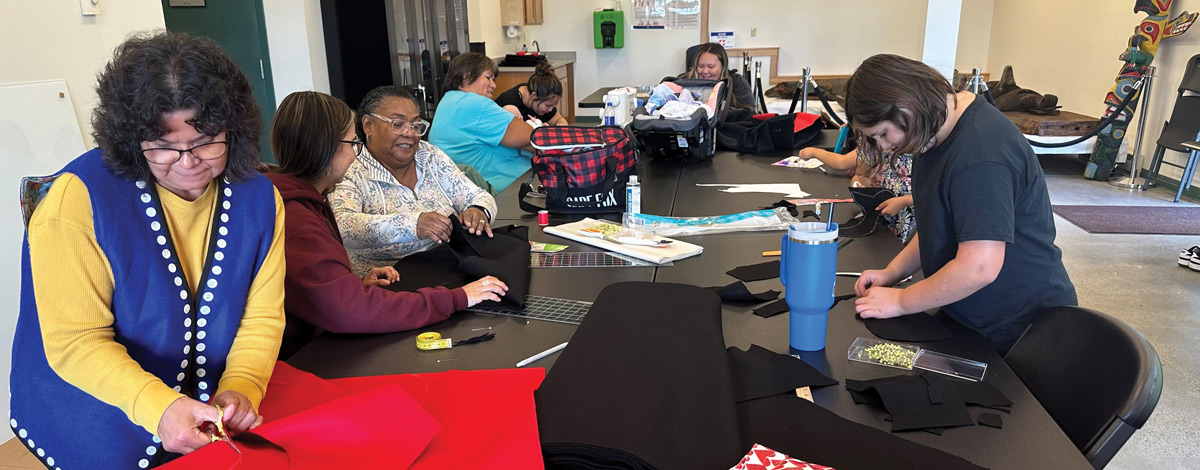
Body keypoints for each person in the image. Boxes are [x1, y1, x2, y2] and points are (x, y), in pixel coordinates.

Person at [10, 32, 286, 468]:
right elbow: (76, 342)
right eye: (163, 146)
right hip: (93, 411)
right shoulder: (76, 201)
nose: (188, 161)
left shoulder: (261, 199)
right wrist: (156, 406)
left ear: (235, 128)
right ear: (129, 140)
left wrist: (242, 384)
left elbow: (262, 316)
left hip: (200, 403)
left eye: (206, 140)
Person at [846, 54, 1076, 353]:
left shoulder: (980, 153)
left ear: (906, 105)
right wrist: (893, 272)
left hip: (1017, 331)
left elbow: (979, 267)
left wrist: (903, 300)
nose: (885, 147)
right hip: (966, 313)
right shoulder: (933, 130)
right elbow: (937, 222)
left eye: (882, 134)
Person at [264, 91, 508, 357]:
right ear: (325, 149)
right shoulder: (300, 216)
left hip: (396, 290)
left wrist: (354, 284)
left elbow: (331, 293)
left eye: (416, 125)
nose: (410, 133)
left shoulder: (306, 201)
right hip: (330, 340)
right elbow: (350, 308)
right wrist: (457, 297)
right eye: (352, 142)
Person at [331, 85, 499, 274]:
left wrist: (478, 211)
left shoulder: (429, 155)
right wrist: (413, 225)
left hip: (451, 265)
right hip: (389, 281)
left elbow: (478, 196)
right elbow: (342, 226)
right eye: (397, 124)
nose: (410, 134)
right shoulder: (351, 166)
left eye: (415, 125)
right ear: (368, 125)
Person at [429, 52, 534, 192]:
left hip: (472, 189)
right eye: (488, 77)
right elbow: (533, 139)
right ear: (466, 77)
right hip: (506, 192)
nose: (494, 85)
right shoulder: (474, 104)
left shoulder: (449, 101)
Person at [798, 143, 916, 243]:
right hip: (882, 224)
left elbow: (933, 194)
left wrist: (904, 201)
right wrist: (860, 187)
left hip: (913, 225)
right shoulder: (871, 140)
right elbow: (861, 175)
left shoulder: (922, 144)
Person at [681, 42, 754, 110]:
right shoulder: (683, 82)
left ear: (723, 67)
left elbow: (749, 113)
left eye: (711, 66)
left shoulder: (737, 83)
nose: (705, 71)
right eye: (701, 66)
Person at [494, 61, 569, 127]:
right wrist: (537, 130)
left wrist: (560, 125)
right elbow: (512, 138)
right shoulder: (510, 106)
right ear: (533, 96)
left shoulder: (542, 98)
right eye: (548, 105)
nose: (550, 110)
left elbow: (559, 120)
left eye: (553, 106)